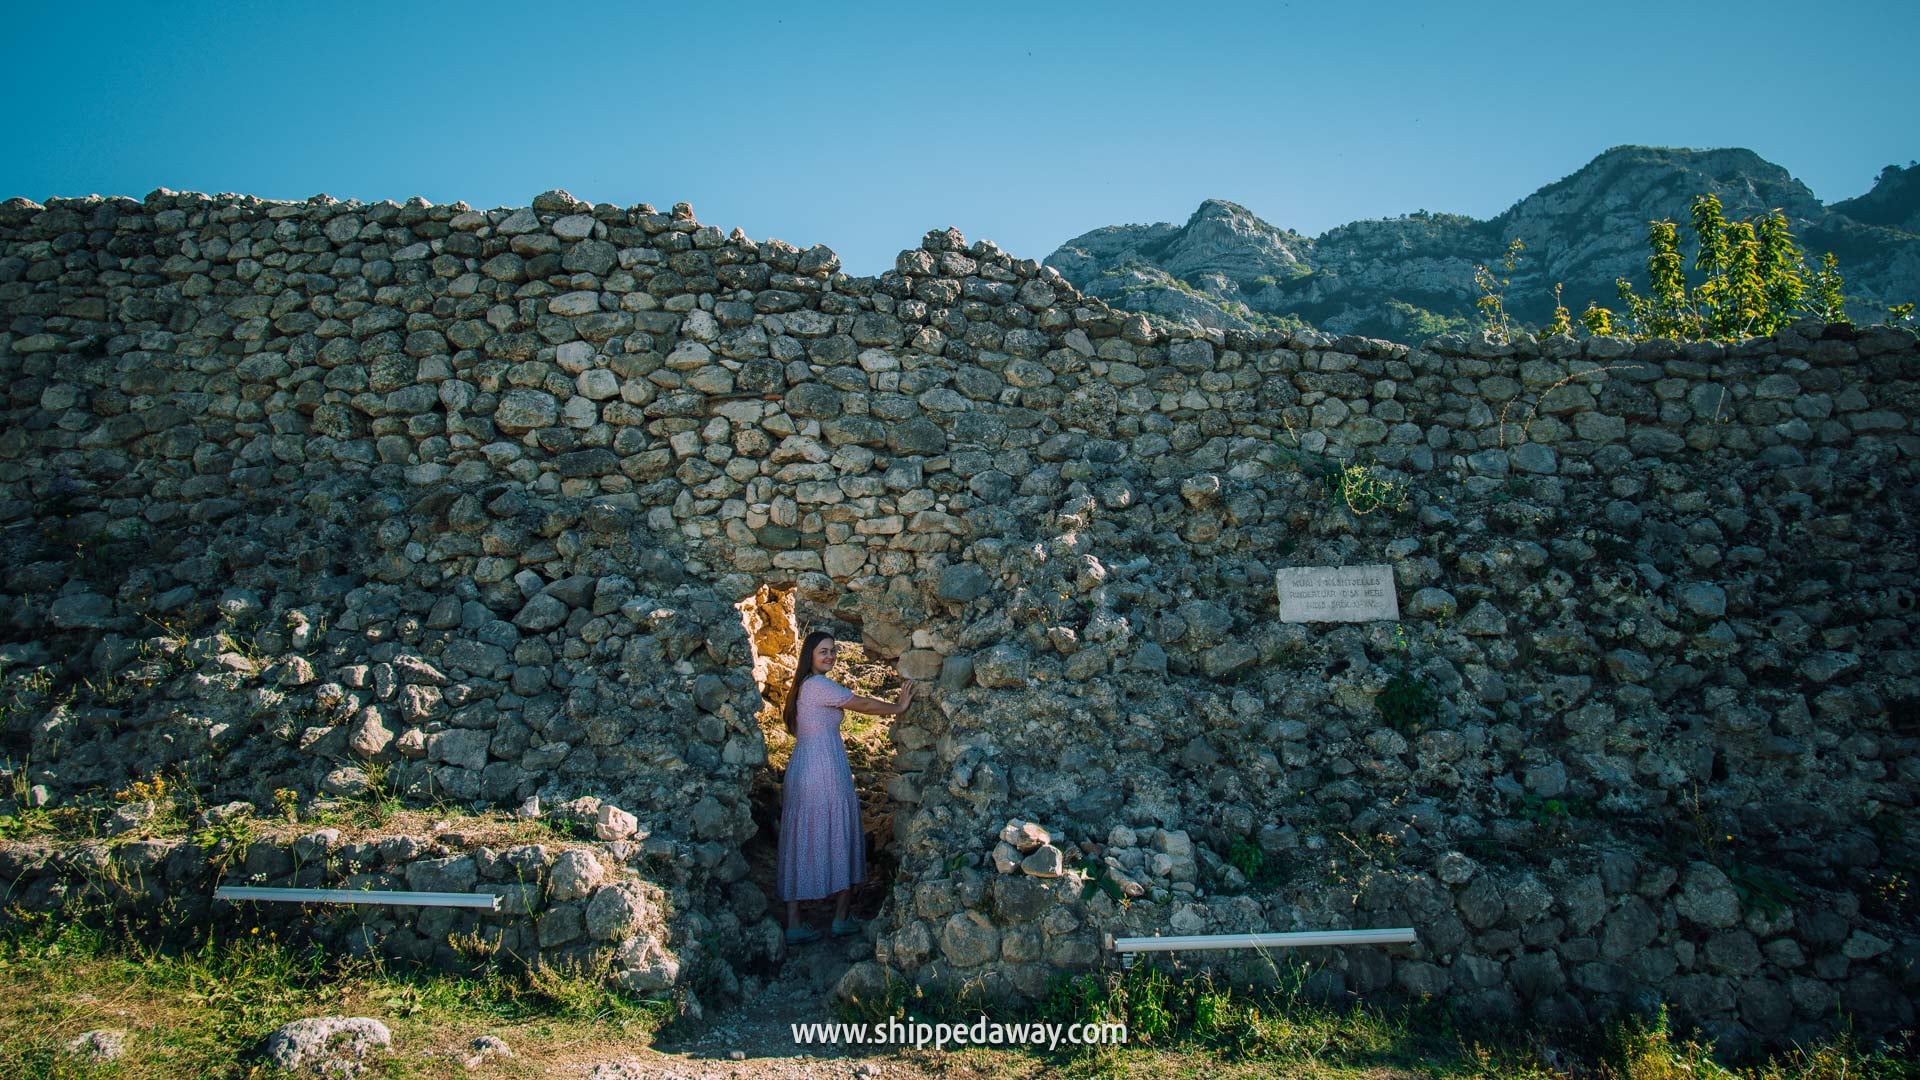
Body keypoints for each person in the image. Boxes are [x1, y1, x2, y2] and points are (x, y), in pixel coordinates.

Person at [776, 630, 914, 944]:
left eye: (834, 651)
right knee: (838, 831)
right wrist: (898, 708)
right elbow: (861, 703)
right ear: (810, 654)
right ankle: (840, 917)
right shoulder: (817, 685)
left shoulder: (802, 687)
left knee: (800, 836)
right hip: (824, 769)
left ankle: (796, 921)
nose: (830, 656)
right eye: (823, 651)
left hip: (804, 766)